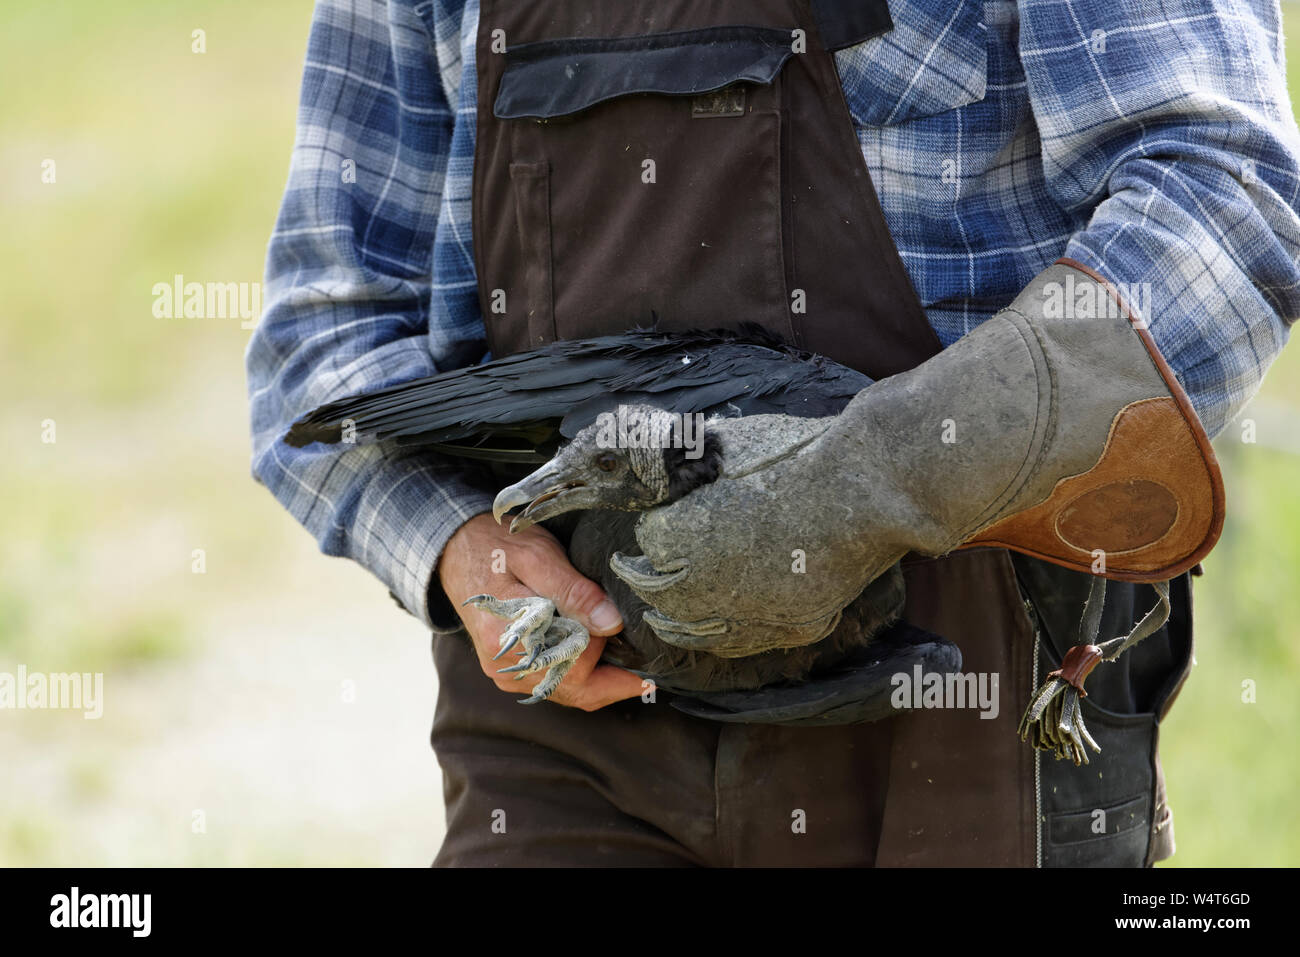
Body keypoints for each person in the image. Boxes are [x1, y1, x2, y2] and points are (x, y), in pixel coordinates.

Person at [247, 0, 1300, 865]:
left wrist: (866, 485)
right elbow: (322, 339)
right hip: (575, 733)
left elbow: (1226, 202)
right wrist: (459, 548)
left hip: (970, 703)